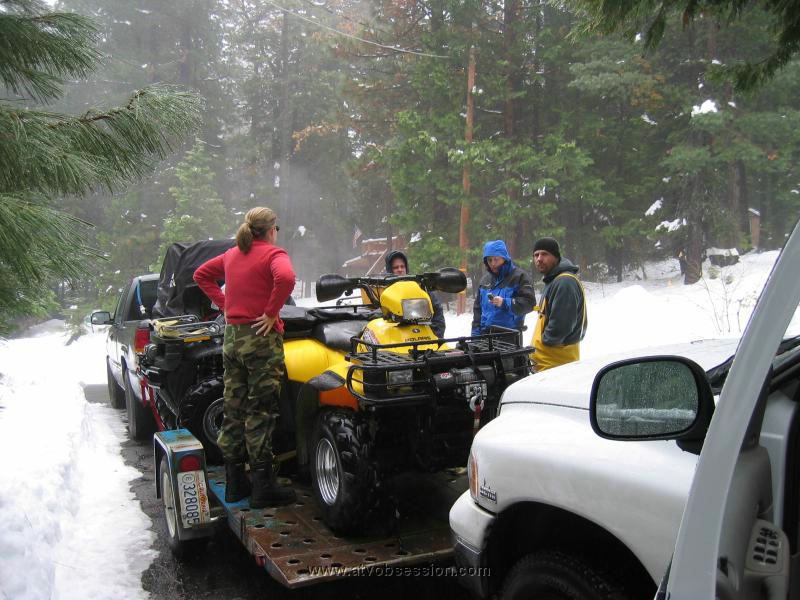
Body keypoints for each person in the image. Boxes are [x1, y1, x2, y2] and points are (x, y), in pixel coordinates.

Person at [193, 207, 296, 508]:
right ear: (271, 229)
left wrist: (225, 305)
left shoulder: (233, 254)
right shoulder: (274, 255)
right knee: (261, 410)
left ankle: (235, 483)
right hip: (261, 340)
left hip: (233, 339)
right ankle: (263, 487)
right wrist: (270, 311)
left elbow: (201, 275)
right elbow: (287, 279)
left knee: (234, 406)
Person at [530, 237, 588, 372]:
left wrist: (547, 342)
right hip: (547, 364)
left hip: (556, 365)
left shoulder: (565, 282)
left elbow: (561, 325)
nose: (539, 259)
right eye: (536, 255)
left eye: (544, 254)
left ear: (556, 257)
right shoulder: (553, 280)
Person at [471, 240, 535, 336]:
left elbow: (529, 303)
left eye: (496, 259)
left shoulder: (520, 277)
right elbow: (477, 311)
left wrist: (505, 302)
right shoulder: (485, 280)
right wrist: (475, 336)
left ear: (504, 258)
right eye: (489, 260)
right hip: (484, 336)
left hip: (510, 336)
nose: (492, 263)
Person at [385, 250, 446, 337]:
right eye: (396, 267)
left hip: (421, 337)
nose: (400, 270)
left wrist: (436, 334)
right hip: (395, 338)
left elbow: (437, 309)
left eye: (402, 266)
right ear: (389, 269)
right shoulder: (383, 290)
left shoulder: (419, 287)